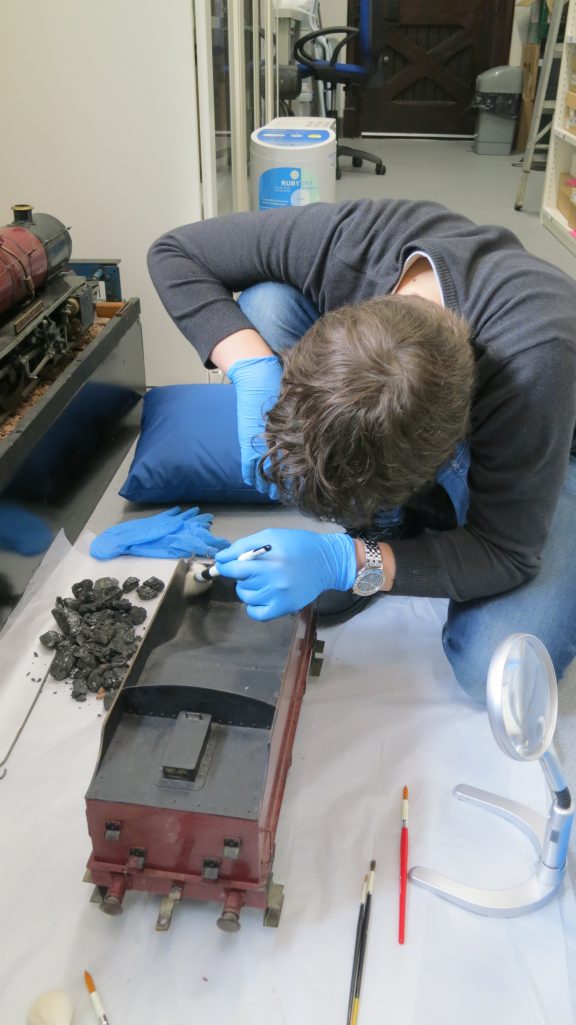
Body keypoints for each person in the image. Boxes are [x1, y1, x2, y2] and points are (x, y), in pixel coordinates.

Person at [148, 198, 576, 703]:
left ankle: (409, 524)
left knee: (497, 676)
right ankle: (391, 523)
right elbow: (172, 252)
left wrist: (350, 562)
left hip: (548, 445)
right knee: (267, 303)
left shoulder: (537, 362)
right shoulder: (346, 243)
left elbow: (507, 553)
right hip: (447, 403)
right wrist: (250, 369)